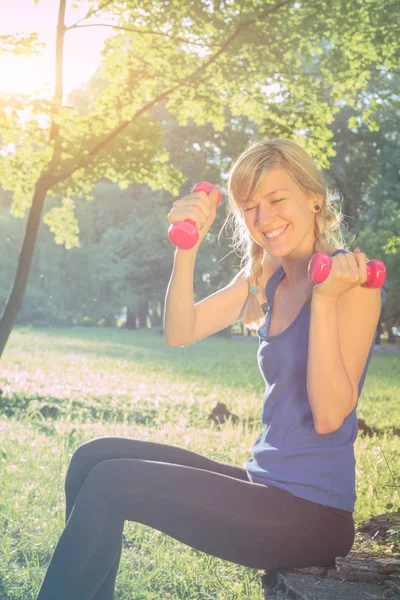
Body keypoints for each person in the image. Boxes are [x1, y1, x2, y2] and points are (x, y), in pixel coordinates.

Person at [34, 138, 382, 600]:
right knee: (92, 458)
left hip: (313, 516)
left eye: (277, 199)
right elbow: (181, 331)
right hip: (264, 485)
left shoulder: (352, 285)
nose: (264, 218)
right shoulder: (266, 276)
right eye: (250, 207)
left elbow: (330, 415)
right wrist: (187, 248)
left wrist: (325, 299)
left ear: (313, 198)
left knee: (112, 482)